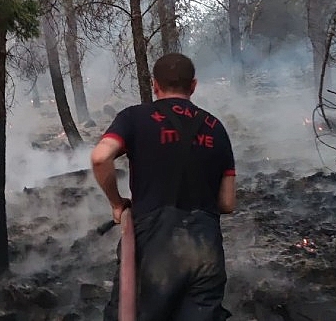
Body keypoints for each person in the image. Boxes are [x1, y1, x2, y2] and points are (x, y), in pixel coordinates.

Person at [90, 52, 236, 320]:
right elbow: (227, 203)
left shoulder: (134, 117)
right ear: (193, 86)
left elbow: (100, 157)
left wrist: (116, 203)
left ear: (155, 85)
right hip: (206, 246)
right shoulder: (216, 128)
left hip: (153, 244)